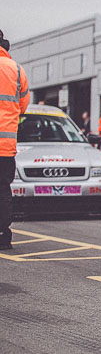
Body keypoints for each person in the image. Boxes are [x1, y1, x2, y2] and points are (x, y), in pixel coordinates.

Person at [0, 29, 30, 251]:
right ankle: (3, 236)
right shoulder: (17, 70)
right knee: (3, 191)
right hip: (5, 146)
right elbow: (22, 106)